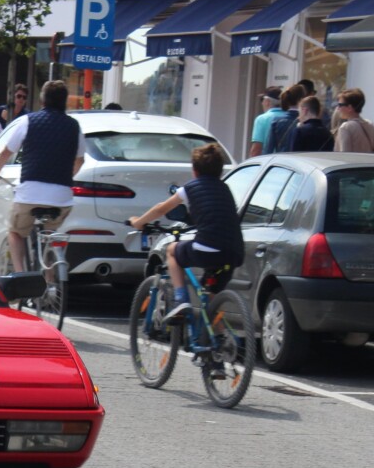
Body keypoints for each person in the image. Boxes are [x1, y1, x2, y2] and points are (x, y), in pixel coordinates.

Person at [125, 144, 242, 324]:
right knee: (211, 299)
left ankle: (181, 299)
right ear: (219, 171)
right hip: (233, 252)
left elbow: (161, 209)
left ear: (195, 170)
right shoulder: (225, 189)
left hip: (207, 248)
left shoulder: (191, 188)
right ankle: (218, 343)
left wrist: (139, 222)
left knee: (172, 250)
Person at [0, 80, 85, 272]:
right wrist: (66, 177)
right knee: (51, 232)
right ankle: (50, 275)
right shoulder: (74, 126)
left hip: (30, 194)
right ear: (65, 101)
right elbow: (80, 160)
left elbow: (5, 153)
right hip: (62, 197)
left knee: (15, 232)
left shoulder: (29, 121)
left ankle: (21, 276)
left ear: (42, 99)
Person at [333, 88, 374, 154]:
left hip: (353, 164)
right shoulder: (370, 124)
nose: (338, 108)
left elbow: (344, 156)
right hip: (368, 164)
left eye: (340, 105)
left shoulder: (346, 127)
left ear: (349, 108)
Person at [264, 84, 305, 155]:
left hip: (281, 162)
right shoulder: (305, 122)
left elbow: (268, 149)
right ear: (301, 99)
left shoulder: (276, 121)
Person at [248, 86, 285, 158]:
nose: (261, 103)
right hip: (287, 164)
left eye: (262, 99)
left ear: (267, 101)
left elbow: (256, 149)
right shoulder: (291, 118)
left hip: (268, 163)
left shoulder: (262, 119)